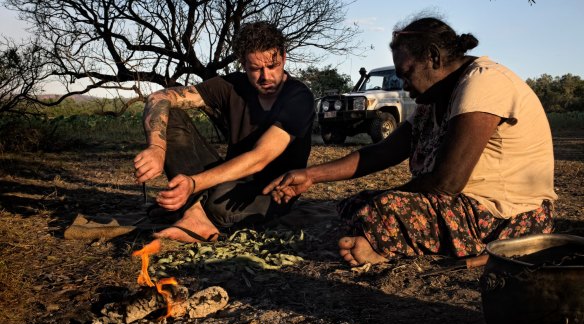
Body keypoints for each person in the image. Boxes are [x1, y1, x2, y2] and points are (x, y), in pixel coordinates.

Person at [263, 16, 557, 266]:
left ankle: (382, 245)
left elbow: (447, 181)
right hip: (461, 208)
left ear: (433, 57)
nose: (404, 85)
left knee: (383, 207)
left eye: (407, 74)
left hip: (506, 218)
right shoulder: (435, 99)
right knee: (357, 203)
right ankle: (386, 237)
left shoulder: (484, 83)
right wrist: (312, 176)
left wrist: (388, 200)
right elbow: (385, 151)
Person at [133, 21, 314, 243]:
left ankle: (196, 208)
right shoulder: (232, 85)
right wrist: (157, 147)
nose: (266, 76)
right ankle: (195, 214)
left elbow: (260, 158)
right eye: (255, 69)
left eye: (273, 66)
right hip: (227, 177)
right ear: (243, 64)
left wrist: (194, 183)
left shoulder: (299, 97)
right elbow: (159, 97)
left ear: (284, 57)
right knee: (172, 116)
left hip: (272, 192)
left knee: (219, 201)